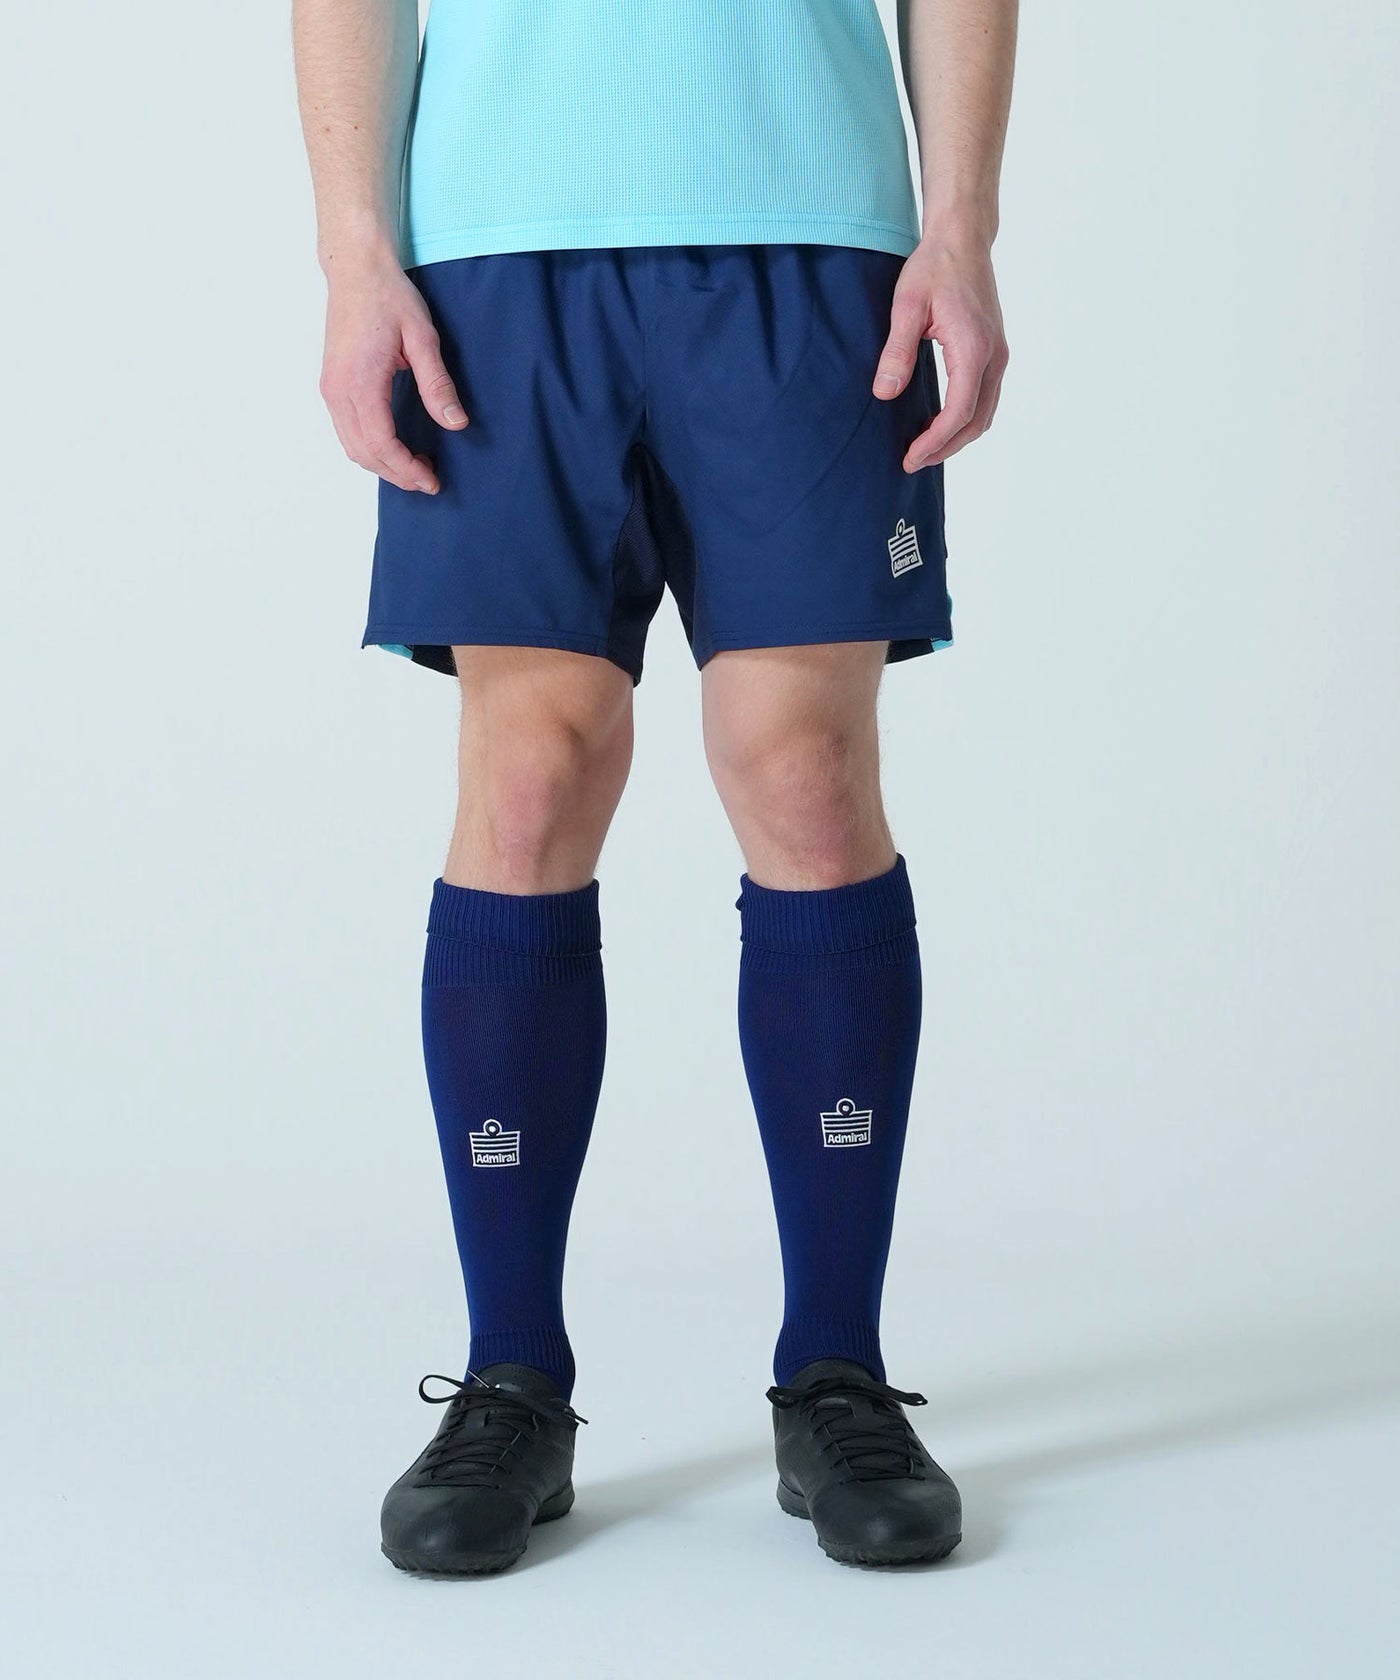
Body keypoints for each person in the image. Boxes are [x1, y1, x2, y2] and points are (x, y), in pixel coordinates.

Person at [293, 0, 1015, 1574]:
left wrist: (960, 224)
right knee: (531, 775)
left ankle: (836, 1372)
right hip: (497, 237)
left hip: (809, 219)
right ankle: (510, 1377)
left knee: (804, 770)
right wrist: (356, 254)